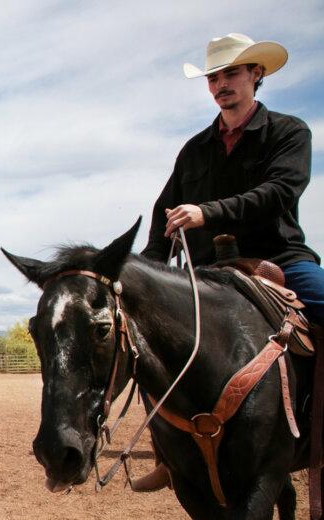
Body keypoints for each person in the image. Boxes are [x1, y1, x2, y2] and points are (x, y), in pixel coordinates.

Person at [135, 33, 323, 491]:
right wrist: (139, 276)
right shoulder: (194, 150)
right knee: (144, 337)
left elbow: (280, 192)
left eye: (231, 74)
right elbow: (166, 214)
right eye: (214, 77)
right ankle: (167, 452)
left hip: (278, 259)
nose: (222, 84)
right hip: (207, 274)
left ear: (255, 75)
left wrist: (208, 212)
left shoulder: (289, 131)